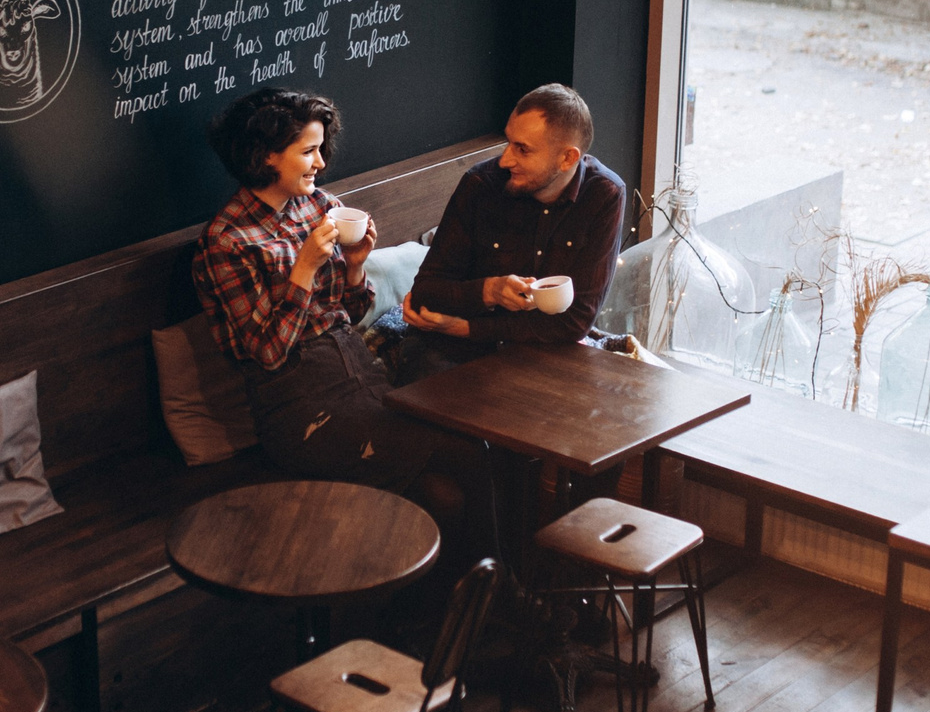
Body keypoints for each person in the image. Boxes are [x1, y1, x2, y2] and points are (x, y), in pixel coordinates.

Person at [192, 88, 496, 553]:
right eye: (308, 151)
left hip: (364, 380)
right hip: (297, 408)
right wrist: (303, 270)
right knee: (469, 452)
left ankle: (460, 613)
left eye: (320, 149)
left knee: (444, 494)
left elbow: (349, 314)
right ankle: (504, 603)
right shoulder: (227, 242)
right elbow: (266, 353)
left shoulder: (318, 206)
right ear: (266, 155)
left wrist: (355, 265)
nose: (320, 164)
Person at [397, 83, 628, 382]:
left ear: (568, 158)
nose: (505, 160)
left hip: (536, 351)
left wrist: (464, 327)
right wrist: (489, 291)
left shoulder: (604, 196)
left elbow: (576, 321)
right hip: (455, 351)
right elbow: (426, 293)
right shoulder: (481, 184)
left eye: (523, 149)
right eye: (508, 142)